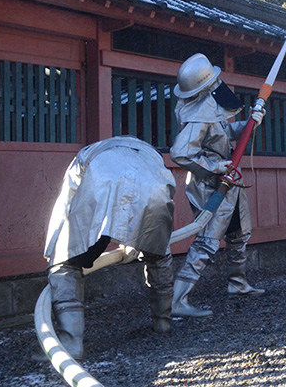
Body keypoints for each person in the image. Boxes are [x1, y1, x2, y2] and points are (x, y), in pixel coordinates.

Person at [43, 136, 176, 361]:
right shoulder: (152, 156)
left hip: (103, 179)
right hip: (155, 183)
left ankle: (72, 343)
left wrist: (55, 249)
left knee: (65, 264)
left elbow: (67, 200)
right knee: (159, 254)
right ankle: (162, 322)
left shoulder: (88, 152)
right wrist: (142, 240)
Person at [169, 53, 265, 318]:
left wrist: (251, 123)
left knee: (239, 233)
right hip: (211, 185)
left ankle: (238, 283)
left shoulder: (209, 108)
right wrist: (215, 167)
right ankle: (178, 299)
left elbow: (225, 133)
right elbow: (181, 153)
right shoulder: (197, 117)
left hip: (230, 181)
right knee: (207, 241)